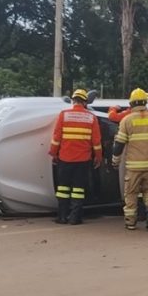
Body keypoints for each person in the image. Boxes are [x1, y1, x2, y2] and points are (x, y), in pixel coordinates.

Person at [107, 93, 148, 221]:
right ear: (145, 102)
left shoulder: (127, 119)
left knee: (131, 193)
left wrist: (115, 161)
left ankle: (130, 222)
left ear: (131, 103)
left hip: (134, 165)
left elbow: (119, 144)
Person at [48, 89, 103, 225]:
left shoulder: (64, 115)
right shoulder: (91, 117)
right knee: (78, 189)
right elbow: (96, 142)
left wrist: (53, 153)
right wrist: (98, 157)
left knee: (63, 188)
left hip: (65, 158)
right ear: (85, 102)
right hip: (83, 160)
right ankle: (75, 218)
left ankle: (62, 217)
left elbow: (56, 138)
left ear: (73, 101)